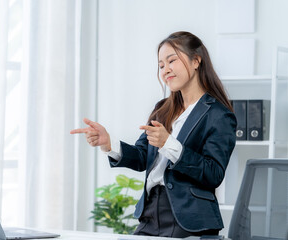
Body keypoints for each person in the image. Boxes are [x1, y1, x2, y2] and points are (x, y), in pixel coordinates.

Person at [70, 31, 236, 238]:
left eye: (171, 61)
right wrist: (109, 143)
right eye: (161, 66)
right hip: (150, 213)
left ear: (196, 61)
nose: (165, 70)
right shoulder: (163, 109)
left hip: (189, 219)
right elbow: (142, 157)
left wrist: (170, 144)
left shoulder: (218, 114)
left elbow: (213, 174)